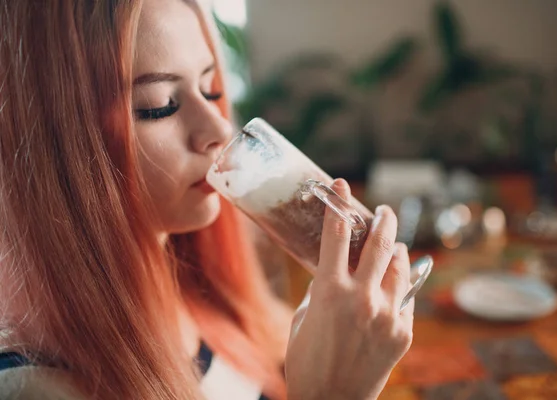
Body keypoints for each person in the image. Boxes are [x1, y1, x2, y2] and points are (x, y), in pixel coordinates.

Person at [0, 0, 415, 399]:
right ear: (52, 146)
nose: (218, 128)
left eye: (210, 88)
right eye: (159, 106)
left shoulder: (198, 288)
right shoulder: (33, 388)